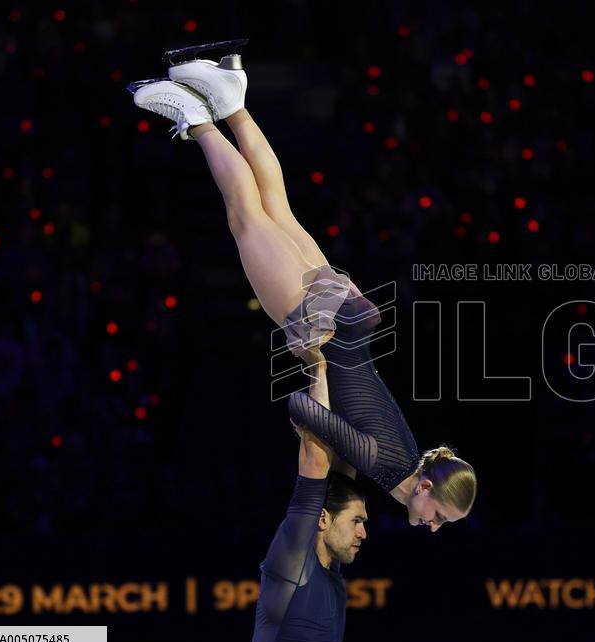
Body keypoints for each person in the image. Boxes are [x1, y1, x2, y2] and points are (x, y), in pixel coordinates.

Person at [130, 47, 476, 531]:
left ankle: (232, 102)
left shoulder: (399, 462)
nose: (432, 526)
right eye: (439, 516)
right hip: (326, 330)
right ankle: (197, 119)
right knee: (246, 216)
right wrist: (314, 365)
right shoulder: (389, 466)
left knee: (277, 209)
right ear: (425, 489)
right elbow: (306, 411)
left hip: (353, 322)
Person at [246, 348, 368, 642]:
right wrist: (318, 364)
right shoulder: (293, 563)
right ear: (322, 519)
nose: (364, 532)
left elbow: (345, 457)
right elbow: (316, 462)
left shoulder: (330, 566)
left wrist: (345, 356)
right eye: (356, 521)